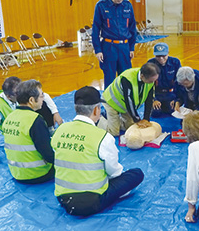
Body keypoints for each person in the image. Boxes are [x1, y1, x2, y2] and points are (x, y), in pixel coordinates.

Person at [51, 86, 144, 216]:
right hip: (90, 203)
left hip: (63, 199)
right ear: (96, 110)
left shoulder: (60, 130)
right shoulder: (102, 137)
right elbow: (114, 173)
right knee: (136, 174)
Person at [0, 77, 63, 155]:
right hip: (17, 132)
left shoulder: (20, 93)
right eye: (17, 94)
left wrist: (55, 113)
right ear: (9, 96)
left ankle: (49, 130)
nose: (21, 96)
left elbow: (44, 96)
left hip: (26, 123)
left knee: (41, 103)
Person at [2, 79, 54, 184]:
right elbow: (48, 155)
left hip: (17, 173)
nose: (43, 99)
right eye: (41, 96)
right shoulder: (35, 120)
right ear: (31, 100)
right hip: (38, 173)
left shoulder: (9, 118)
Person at [91, 0, 137, 89]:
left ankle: (126, 102)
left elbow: (132, 28)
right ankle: (109, 104)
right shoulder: (101, 6)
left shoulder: (128, 6)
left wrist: (131, 48)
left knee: (126, 77)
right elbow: (95, 29)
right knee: (109, 78)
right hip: (109, 47)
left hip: (124, 47)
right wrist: (98, 50)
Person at [102, 62, 160, 137]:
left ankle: (116, 121)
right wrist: (138, 120)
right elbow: (129, 101)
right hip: (111, 102)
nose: (152, 83)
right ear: (142, 76)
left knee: (130, 128)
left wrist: (146, 118)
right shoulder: (127, 79)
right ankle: (100, 119)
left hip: (124, 105)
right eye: (151, 81)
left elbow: (149, 99)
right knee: (114, 133)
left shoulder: (150, 79)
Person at [147, 42, 181, 116]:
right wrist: (153, 99)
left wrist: (176, 100)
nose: (161, 59)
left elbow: (179, 82)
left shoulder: (175, 62)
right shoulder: (150, 63)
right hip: (157, 93)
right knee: (155, 113)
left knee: (172, 111)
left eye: (163, 56)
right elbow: (147, 85)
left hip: (170, 94)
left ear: (168, 53)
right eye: (158, 56)